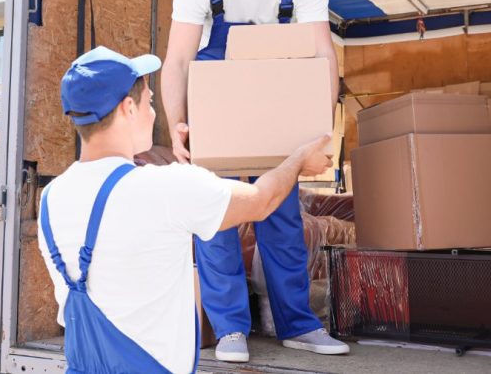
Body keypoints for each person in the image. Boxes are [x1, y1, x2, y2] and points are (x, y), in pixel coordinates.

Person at [38, 46, 333, 373]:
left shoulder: (51, 199)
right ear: (128, 109)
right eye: (150, 103)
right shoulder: (166, 187)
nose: (153, 114)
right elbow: (262, 200)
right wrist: (298, 160)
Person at [161, 0, 348, 362]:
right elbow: (179, 58)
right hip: (216, 101)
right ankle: (229, 332)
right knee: (218, 217)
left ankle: (297, 325)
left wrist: (318, 129)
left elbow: (322, 54)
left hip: (275, 99)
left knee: (281, 218)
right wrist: (176, 124)